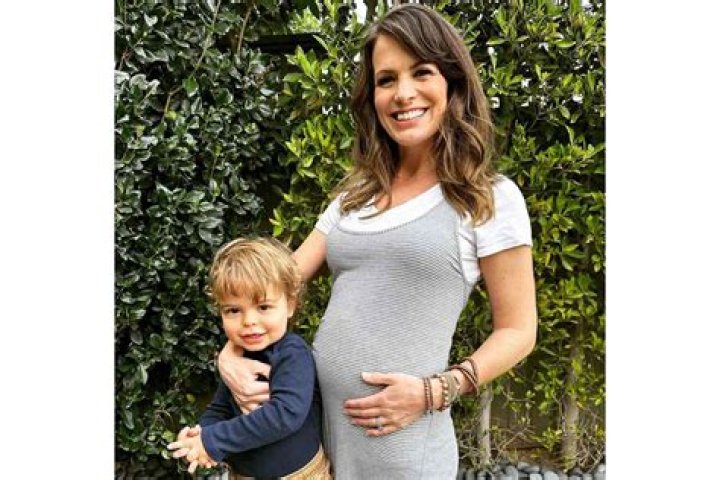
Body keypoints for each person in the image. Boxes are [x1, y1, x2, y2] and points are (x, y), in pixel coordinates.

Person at [213, 4, 537, 479]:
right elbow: (274, 286)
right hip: (319, 440)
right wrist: (229, 356)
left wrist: (435, 391)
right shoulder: (354, 196)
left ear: (452, 82)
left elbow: (519, 330)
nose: (403, 93)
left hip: (399, 448)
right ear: (372, 96)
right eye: (387, 80)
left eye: (421, 72)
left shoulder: (487, 198)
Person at [167, 237, 331, 479]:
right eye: (233, 310)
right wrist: (200, 437)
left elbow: (284, 415)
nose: (249, 321)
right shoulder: (237, 357)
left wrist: (214, 440)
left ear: (290, 306)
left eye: (263, 307)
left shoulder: (292, 353)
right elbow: (220, 408)